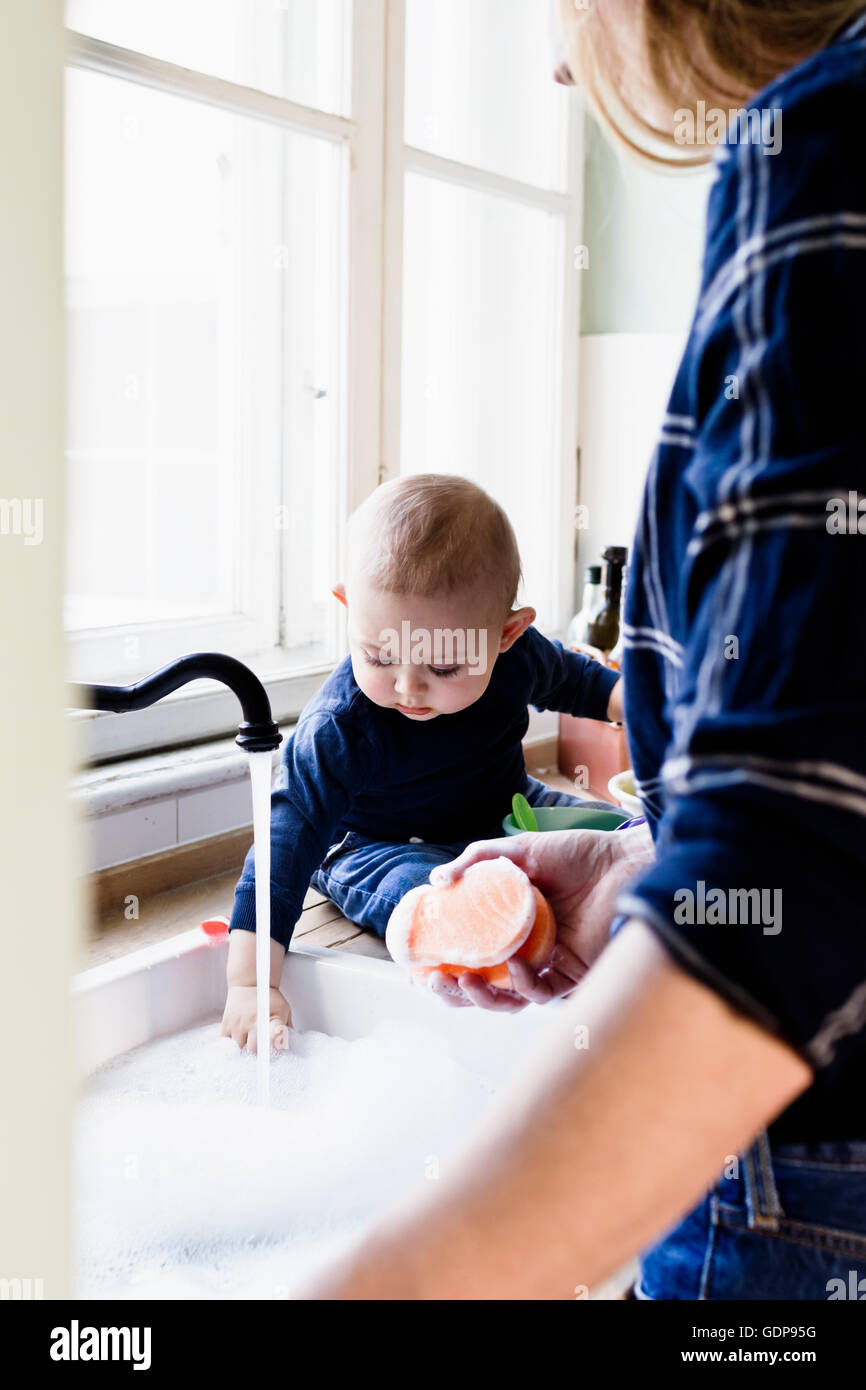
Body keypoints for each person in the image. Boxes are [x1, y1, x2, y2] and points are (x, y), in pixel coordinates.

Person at [302, 0, 866, 1299]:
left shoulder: (821, 145)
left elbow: (797, 872)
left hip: (805, 1167)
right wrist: (637, 855)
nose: (559, 59)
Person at [220, 473, 623, 1049]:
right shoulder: (340, 726)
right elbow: (285, 837)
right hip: (374, 845)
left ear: (506, 635)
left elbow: (578, 679)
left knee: (617, 836)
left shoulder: (518, 659)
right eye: (379, 656)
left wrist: (642, 704)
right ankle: (507, 939)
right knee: (431, 893)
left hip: (506, 807)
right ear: (347, 609)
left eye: (444, 668)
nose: (408, 687)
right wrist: (252, 984)